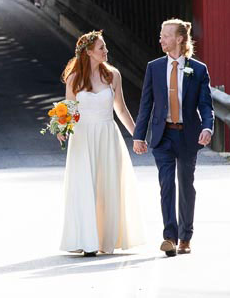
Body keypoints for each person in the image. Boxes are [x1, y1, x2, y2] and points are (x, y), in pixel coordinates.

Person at [133, 18, 214, 257]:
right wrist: (139, 136)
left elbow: (206, 105)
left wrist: (207, 128)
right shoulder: (154, 67)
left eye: (165, 35)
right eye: (161, 35)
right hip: (163, 135)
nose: (161, 39)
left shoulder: (198, 69)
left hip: (188, 135)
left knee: (186, 185)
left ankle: (185, 237)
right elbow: (146, 104)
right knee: (166, 184)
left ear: (179, 39)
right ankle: (169, 236)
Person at [59, 30, 144, 255]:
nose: (106, 51)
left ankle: (105, 239)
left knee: (106, 188)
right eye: (101, 48)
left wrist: (137, 135)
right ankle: (86, 241)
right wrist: (61, 128)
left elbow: (121, 109)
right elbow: (69, 109)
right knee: (85, 186)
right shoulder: (74, 78)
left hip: (107, 135)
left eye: (105, 47)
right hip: (82, 136)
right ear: (88, 52)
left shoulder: (113, 75)